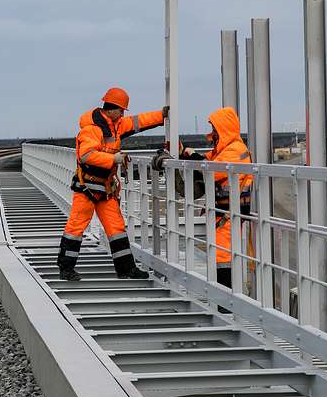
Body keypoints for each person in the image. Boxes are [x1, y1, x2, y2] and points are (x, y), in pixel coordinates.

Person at [56, 87, 168, 281]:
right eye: (121, 110)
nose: (123, 114)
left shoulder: (116, 124)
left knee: (116, 228)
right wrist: (113, 158)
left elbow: (138, 121)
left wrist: (162, 115)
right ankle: (66, 269)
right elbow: (86, 155)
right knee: (75, 228)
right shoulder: (92, 129)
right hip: (87, 188)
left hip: (105, 189)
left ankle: (126, 269)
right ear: (111, 109)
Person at [178, 106, 254, 296]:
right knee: (222, 254)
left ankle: (225, 301)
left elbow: (211, 170)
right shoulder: (226, 148)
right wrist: (186, 153)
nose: (212, 133)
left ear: (224, 128)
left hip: (230, 212)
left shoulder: (235, 150)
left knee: (223, 256)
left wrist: (191, 154)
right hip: (226, 211)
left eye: (215, 128)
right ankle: (224, 297)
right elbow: (206, 162)